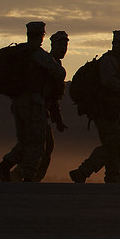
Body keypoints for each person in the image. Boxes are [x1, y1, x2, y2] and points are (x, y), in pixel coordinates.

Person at [0, 21, 66, 182]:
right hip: (34, 103)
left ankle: (6, 165)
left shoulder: (19, 52)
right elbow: (59, 72)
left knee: (26, 140)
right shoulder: (37, 54)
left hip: (18, 102)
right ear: (42, 36)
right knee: (37, 142)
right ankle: (28, 176)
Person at [70, 30, 120, 183]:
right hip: (104, 110)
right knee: (112, 145)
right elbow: (108, 81)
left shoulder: (116, 60)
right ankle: (84, 171)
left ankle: (112, 176)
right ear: (114, 44)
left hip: (109, 109)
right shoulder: (110, 61)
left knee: (116, 146)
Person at [35, 30, 70, 181]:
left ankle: (29, 178)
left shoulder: (55, 65)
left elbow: (53, 98)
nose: (63, 48)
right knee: (38, 146)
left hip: (42, 111)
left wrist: (58, 120)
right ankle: (22, 175)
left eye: (65, 45)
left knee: (44, 146)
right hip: (35, 109)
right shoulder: (47, 65)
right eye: (60, 45)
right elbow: (47, 93)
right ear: (53, 45)